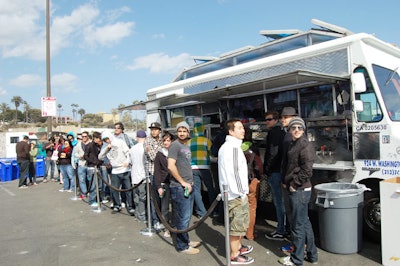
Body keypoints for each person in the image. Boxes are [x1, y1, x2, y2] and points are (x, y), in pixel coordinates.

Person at [278, 117, 318, 266]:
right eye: (293, 128)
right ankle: (312, 255)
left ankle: (297, 260)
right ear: (289, 130)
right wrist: (284, 181)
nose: (296, 130)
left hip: (300, 190)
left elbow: (307, 171)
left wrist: (294, 184)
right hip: (296, 187)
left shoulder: (305, 146)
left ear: (304, 130)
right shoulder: (292, 144)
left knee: (297, 226)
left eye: (299, 128)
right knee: (304, 222)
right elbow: (289, 165)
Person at [218, 119, 254, 265]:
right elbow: (234, 174)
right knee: (237, 226)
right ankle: (234, 255)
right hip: (235, 194)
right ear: (231, 131)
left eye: (242, 128)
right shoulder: (231, 148)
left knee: (240, 224)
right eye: (239, 128)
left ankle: (238, 248)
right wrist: (242, 193)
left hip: (235, 193)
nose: (243, 130)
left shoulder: (233, 146)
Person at [168, 121, 200, 255]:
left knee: (185, 217)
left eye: (184, 131)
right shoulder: (175, 146)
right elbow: (171, 166)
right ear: (177, 132)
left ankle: (185, 240)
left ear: (188, 132)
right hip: (180, 187)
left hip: (188, 185)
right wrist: (182, 182)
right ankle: (182, 246)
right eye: (180, 131)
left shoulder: (185, 146)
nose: (182, 133)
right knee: (183, 217)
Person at [263, 111, 287, 241]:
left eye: (269, 119)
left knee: (278, 202)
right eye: (266, 119)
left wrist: (267, 170)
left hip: (275, 172)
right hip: (281, 171)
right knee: (283, 202)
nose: (267, 122)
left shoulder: (273, 133)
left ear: (276, 120)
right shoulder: (283, 133)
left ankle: (280, 230)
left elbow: (272, 153)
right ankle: (285, 228)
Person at [98, 131, 134, 215]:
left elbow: (128, 152)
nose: (107, 141)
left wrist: (127, 161)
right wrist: (107, 148)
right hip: (115, 170)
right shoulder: (106, 146)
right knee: (114, 189)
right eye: (105, 139)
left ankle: (130, 206)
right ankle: (117, 205)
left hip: (125, 169)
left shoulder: (120, 142)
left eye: (107, 138)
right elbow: (100, 157)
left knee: (128, 189)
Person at [188, 122, 217, 219]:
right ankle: (213, 211)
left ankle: (201, 212)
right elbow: (212, 155)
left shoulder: (189, 142)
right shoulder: (207, 141)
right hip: (205, 168)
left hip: (193, 168)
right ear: (202, 130)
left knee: (196, 190)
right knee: (210, 188)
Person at [242, 126, 263, 241]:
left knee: (241, 207)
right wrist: (259, 177)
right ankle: (249, 234)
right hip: (251, 180)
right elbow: (258, 165)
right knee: (251, 207)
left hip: (239, 182)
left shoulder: (236, 147)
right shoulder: (253, 147)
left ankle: (239, 232)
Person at [154, 131, 175, 237]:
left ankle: (175, 227)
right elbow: (157, 171)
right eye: (164, 140)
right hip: (164, 183)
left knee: (176, 206)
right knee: (165, 207)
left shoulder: (175, 152)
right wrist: (158, 186)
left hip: (175, 182)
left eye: (168, 140)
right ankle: (167, 227)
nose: (166, 143)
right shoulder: (159, 154)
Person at [144, 122, 164, 230]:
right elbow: (153, 157)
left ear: (160, 130)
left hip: (163, 173)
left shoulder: (162, 140)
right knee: (154, 199)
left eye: (156, 129)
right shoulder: (147, 141)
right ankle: (155, 220)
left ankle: (162, 219)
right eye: (152, 129)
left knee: (163, 199)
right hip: (153, 173)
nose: (154, 131)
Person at [129, 130, 148, 222]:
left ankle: (137, 214)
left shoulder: (132, 148)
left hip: (134, 176)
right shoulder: (145, 148)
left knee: (136, 196)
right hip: (143, 177)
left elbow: (130, 162)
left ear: (137, 138)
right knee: (142, 197)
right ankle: (142, 215)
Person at [84, 131, 104, 207]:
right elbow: (85, 156)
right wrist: (93, 161)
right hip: (91, 167)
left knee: (99, 185)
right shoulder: (89, 146)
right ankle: (91, 200)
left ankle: (97, 199)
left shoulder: (98, 145)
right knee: (93, 185)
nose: (100, 140)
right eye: (99, 138)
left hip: (98, 166)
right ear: (95, 138)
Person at [74, 131, 91, 199]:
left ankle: (90, 192)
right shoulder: (78, 144)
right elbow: (75, 153)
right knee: (82, 179)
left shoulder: (91, 144)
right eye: (82, 136)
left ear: (87, 137)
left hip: (89, 164)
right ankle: (84, 193)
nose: (84, 138)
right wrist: (79, 156)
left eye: (85, 136)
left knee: (90, 179)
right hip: (81, 164)